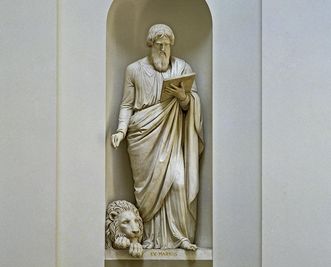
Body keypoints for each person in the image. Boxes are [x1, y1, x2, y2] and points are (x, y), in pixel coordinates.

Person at [111, 24, 204, 251]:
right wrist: (121, 130)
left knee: (179, 182)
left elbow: (191, 106)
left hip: (172, 137)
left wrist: (183, 97)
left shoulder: (182, 68)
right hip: (142, 136)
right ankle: (148, 238)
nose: (163, 50)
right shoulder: (134, 70)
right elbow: (126, 104)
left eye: (167, 45)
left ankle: (180, 236)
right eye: (159, 45)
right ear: (150, 45)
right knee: (148, 191)